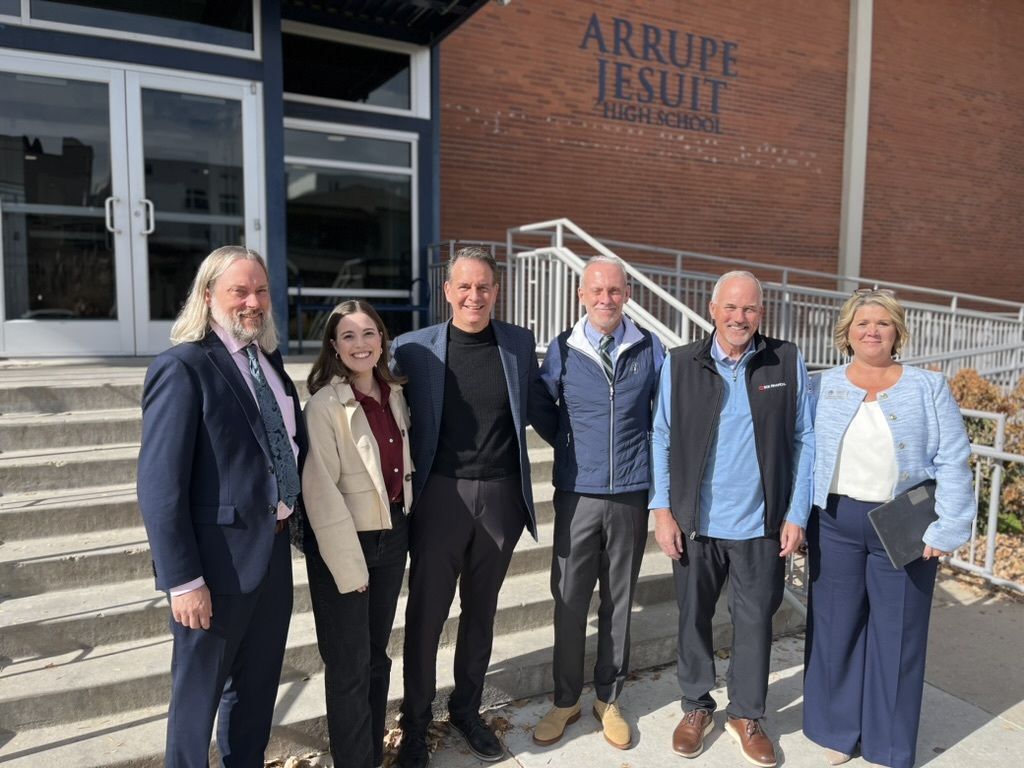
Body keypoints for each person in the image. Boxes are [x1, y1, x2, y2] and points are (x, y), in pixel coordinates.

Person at [136, 246, 307, 767]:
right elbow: (160, 488)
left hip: (271, 555)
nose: (253, 301)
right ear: (208, 295)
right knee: (196, 705)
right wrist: (184, 581)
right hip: (214, 569)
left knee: (256, 694)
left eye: (261, 291)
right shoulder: (182, 367)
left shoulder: (269, 361)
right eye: (240, 291)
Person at [392, 246, 555, 768]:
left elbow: (542, 409)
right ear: (447, 291)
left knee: (481, 613)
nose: (474, 296)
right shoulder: (412, 349)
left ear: (496, 291)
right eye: (464, 286)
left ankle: (466, 709)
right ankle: (415, 724)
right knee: (426, 618)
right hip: (440, 497)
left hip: (502, 498)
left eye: (483, 286)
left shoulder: (518, 343)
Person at [803, 289, 975, 768]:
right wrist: (796, 518)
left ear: (897, 331)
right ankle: (837, 731)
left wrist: (948, 526)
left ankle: (888, 745)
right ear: (847, 332)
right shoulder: (820, 385)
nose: (872, 331)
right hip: (834, 522)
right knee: (835, 628)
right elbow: (803, 454)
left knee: (897, 634)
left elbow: (954, 459)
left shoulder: (927, 387)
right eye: (862, 323)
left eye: (882, 323)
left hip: (905, 524)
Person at [649, 270, 814, 768]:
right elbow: (661, 436)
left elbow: (805, 438)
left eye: (750, 309)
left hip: (761, 525)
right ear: (713, 309)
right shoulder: (680, 363)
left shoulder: (785, 360)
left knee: (755, 623)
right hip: (695, 523)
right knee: (693, 619)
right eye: (731, 307)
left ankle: (746, 714)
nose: (740, 317)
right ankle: (696, 705)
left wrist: (796, 513)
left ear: (761, 313)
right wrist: (662, 510)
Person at [531, 255, 664, 750]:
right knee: (569, 599)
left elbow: (664, 416)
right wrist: (570, 446)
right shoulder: (563, 349)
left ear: (626, 294)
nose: (605, 299)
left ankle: (608, 699)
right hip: (577, 493)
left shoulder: (650, 347)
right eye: (597, 290)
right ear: (581, 296)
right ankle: (565, 699)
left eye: (614, 290)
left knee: (619, 600)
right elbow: (542, 405)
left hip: (630, 492)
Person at [299, 300, 413, 768]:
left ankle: (369, 754)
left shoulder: (395, 394)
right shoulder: (324, 405)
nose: (360, 344)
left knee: (376, 657)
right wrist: (350, 565)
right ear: (333, 346)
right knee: (348, 666)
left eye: (368, 333)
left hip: (393, 535)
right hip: (347, 544)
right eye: (348, 336)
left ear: (382, 339)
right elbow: (321, 492)